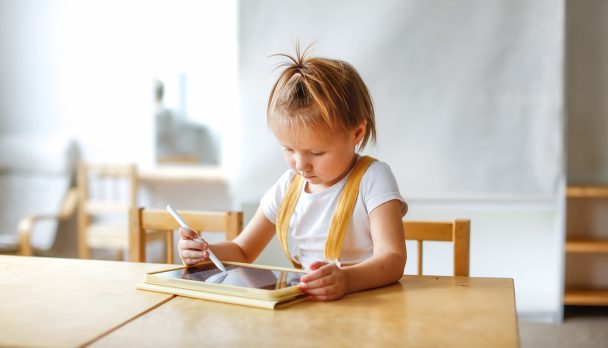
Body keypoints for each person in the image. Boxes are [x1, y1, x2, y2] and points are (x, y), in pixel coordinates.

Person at [178, 46, 407, 301]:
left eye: (317, 153)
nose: (301, 165)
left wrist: (346, 279)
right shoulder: (288, 187)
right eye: (288, 149)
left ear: (356, 133)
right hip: (310, 307)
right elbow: (243, 251)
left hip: (368, 305)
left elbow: (393, 259)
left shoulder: (373, 178)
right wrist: (205, 252)